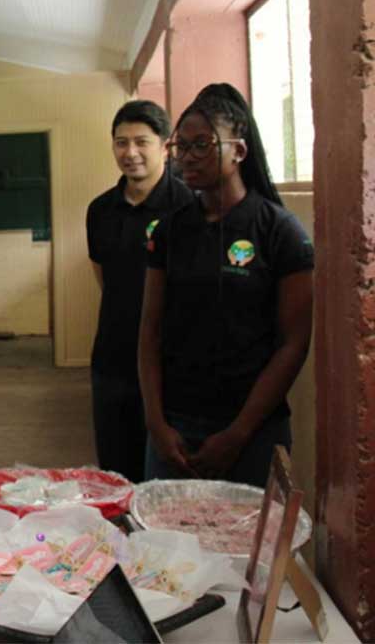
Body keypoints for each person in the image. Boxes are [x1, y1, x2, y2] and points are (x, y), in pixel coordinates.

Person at [139, 83, 314, 487]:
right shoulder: (169, 231)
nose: (188, 158)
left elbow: (294, 343)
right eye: (180, 147)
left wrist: (238, 434)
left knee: (251, 547)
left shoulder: (280, 232)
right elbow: (149, 330)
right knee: (165, 546)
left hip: (252, 431)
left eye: (202, 144)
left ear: (239, 151)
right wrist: (156, 424)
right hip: (176, 429)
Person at [85, 101, 193, 482]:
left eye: (141, 142)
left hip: (172, 367)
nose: (130, 153)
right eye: (120, 142)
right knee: (116, 476)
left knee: (167, 477)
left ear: (164, 145)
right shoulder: (100, 210)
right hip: (112, 363)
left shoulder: (188, 207)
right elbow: (107, 282)